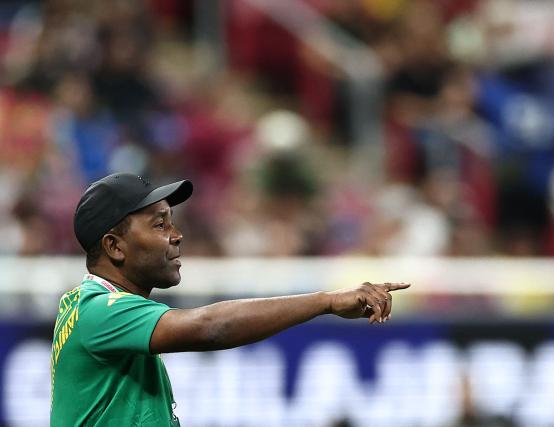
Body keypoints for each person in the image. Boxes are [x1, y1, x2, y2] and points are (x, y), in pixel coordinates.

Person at [50, 173, 410, 426]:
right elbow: (209, 327)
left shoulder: (100, 311)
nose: (176, 235)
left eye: (171, 222)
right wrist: (327, 302)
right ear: (114, 246)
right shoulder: (96, 310)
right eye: (160, 224)